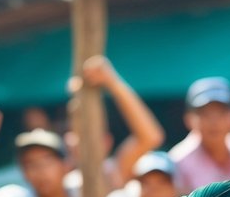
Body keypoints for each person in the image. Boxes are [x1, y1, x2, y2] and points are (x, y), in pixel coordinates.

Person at [65, 56, 166, 187]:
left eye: (91, 137)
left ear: (107, 141)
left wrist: (112, 82)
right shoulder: (63, 181)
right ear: (68, 142)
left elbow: (151, 137)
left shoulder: (114, 172)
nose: (86, 145)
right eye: (80, 137)